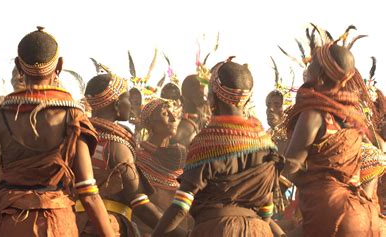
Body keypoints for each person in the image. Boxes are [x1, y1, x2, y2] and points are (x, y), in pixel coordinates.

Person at [0, 27, 115, 237]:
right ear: (60, 66)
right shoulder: (74, 117)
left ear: (19, 66)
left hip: (10, 224)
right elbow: (89, 193)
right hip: (58, 225)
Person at [153, 59, 283, 237]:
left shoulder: (209, 142)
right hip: (259, 230)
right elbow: (267, 207)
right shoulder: (266, 143)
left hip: (217, 230)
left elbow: (181, 206)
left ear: (213, 96)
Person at [283, 42, 381, 236]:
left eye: (312, 63)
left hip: (329, 211)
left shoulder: (315, 113)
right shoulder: (353, 116)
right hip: (359, 213)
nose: (307, 65)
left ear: (320, 75)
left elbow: (291, 167)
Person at [79, 73, 185, 236]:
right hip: (107, 226)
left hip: (75, 223)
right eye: (127, 98)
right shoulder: (117, 146)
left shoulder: (79, 136)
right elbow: (140, 204)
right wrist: (182, 233)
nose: (131, 105)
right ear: (117, 105)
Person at [135, 98, 189, 235]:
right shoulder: (138, 159)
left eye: (173, 113)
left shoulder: (178, 156)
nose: (173, 118)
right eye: (165, 114)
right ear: (150, 123)